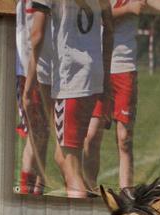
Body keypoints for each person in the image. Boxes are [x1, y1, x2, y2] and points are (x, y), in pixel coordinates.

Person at [83, 0, 160, 190]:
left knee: (124, 138)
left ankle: (126, 195)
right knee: (91, 135)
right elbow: (99, 16)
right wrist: (128, 9)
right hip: (97, 66)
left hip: (124, 67)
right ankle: (88, 191)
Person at [44, 0, 115, 197]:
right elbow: (109, 28)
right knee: (61, 156)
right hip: (93, 73)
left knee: (70, 164)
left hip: (71, 78)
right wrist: (105, 73)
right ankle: (89, 196)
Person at [16, 0, 56, 195]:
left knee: (41, 134)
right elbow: (36, 35)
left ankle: (36, 191)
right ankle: (26, 191)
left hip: (39, 70)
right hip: (32, 71)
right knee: (36, 135)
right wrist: (30, 84)